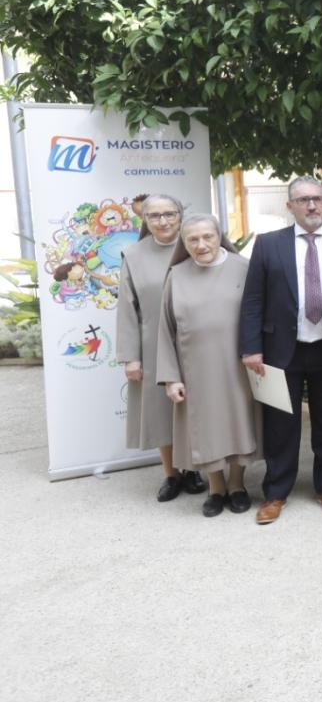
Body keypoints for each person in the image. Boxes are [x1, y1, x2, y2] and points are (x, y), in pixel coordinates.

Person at [239, 177, 322, 525]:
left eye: (317, 199)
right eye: (303, 200)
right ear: (290, 206)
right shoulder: (268, 244)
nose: (311, 206)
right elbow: (253, 300)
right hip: (281, 349)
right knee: (282, 424)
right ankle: (276, 492)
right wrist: (251, 348)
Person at [157, 214, 262, 517]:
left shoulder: (244, 267)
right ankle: (216, 488)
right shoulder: (176, 275)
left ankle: (238, 485)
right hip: (195, 370)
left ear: (220, 236)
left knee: (239, 424)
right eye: (193, 239)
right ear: (184, 243)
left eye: (208, 237)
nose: (201, 244)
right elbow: (165, 329)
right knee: (206, 428)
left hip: (238, 366)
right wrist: (170, 378)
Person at [116, 194, 207, 502]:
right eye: (155, 216)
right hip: (153, 344)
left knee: (194, 408)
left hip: (197, 342)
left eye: (169, 214)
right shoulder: (133, 255)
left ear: (180, 216)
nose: (163, 221)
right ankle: (170, 474)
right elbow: (127, 309)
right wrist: (130, 357)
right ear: (145, 220)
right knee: (160, 411)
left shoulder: (198, 244)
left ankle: (194, 468)